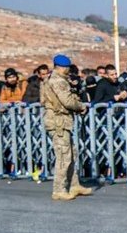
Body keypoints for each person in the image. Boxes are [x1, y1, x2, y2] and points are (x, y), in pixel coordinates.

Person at [40, 54, 93, 201]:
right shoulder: (58, 81)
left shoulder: (51, 79)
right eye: (67, 67)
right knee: (63, 156)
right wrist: (80, 106)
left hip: (60, 120)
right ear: (61, 67)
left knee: (71, 153)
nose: (68, 70)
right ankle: (59, 189)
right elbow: (67, 101)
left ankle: (74, 184)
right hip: (58, 121)